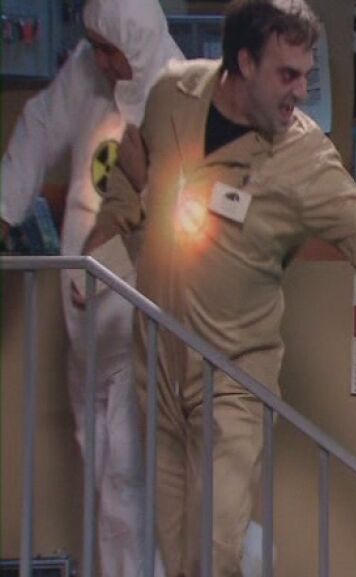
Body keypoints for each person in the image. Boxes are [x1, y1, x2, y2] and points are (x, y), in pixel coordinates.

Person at [83, 1, 356, 575]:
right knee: (176, 554)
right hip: (158, 363)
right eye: (287, 74)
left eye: (306, 75)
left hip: (233, 378)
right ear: (244, 62)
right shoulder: (175, 93)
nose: (300, 91)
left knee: (213, 550)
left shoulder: (306, 157)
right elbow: (133, 174)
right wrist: (102, 247)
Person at [0, 2, 181, 576]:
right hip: (85, 319)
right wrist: (4, 210)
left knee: (128, 468)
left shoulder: (177, 91)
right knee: (100, 460)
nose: (101, 61)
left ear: (137, 42)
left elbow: (169, 210)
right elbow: (39, 127)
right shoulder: (85, 69)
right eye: (96, 47)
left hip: (138, 311)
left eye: (111, 51)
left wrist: (103, 263)